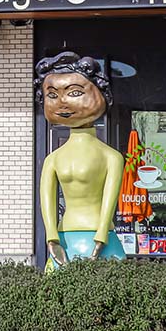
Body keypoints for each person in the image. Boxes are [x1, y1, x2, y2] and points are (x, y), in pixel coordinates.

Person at [36, 51, 127, 269]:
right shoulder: (53, 159)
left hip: (100, 241)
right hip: (64, 241)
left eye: (75, 92)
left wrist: (101, 236)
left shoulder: (111, 157)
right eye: (52, 95)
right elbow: (46, 202)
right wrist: (52, 239)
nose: (63, 103)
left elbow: (110, 203)